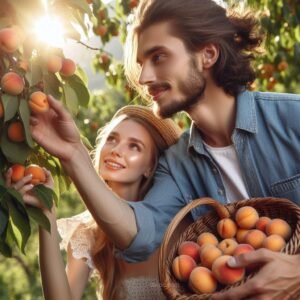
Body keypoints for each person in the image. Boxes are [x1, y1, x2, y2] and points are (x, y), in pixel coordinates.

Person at [30, 0, 300, 299]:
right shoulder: (177, 164)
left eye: (159, 57)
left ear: (208, 54)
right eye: (142, 62)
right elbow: (137, 235)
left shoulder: (292, 119)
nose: (144, 77)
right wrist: (73, 154)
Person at [8, 105, 181, 300]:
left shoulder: (171, 222)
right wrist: (46, 214)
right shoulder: (88, 233)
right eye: (112, 139)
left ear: (150, 167)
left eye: (134, 146)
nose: (116, 150)